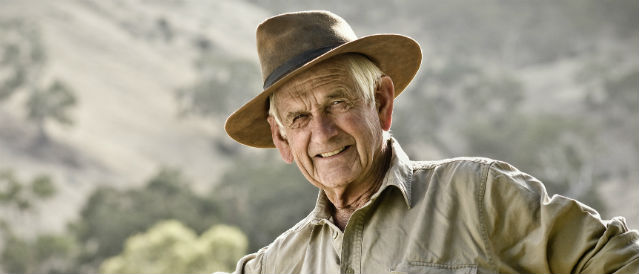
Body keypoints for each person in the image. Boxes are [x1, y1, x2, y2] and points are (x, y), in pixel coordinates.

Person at [222, 10, 639, 274]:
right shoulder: (273, 266)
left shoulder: (478, 194)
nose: (324, 132)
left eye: (337, 103)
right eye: (299, 118)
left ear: (381, 103)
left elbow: (620, 260)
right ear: (282, 138)